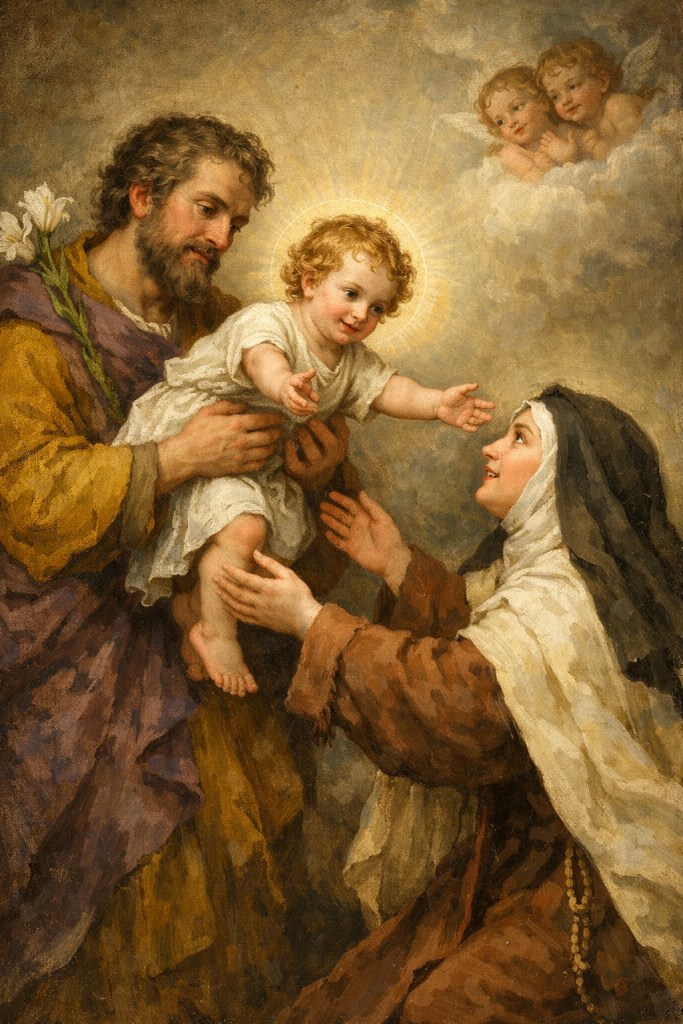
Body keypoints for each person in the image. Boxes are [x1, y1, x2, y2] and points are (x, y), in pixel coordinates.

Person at [0, 113, 354, 1024]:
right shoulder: (35, 326)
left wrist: (318, 475)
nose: (222, 237)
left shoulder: (230, 325)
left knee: (234, 892)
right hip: (78, 657)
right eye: (208, 210)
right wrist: (172, 460)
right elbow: (25, 499)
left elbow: (292, 509)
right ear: (141, 198)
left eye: (237, 221)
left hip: (207, 642)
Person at [216, 385, 683, 1023]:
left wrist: (312, 622)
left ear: (563, 477)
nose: (491, 448)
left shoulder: (565, 602)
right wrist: (398, 566)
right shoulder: (533, 578)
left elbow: (467, 707)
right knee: (351, 998)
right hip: (515, 862)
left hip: (590, 882)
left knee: (442, 1008)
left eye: (519, 439)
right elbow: (480, 641)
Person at [115, 213, 494, 694]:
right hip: (202, 439)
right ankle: (215, 633)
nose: (361, 314)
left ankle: (195, 610)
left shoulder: (351, 361)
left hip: (254, 463)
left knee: (265, 548)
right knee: (245, 529)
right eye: (351, 294)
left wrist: (437, 404)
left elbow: (389, 390)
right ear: (311, 283)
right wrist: (282, 384)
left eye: (377, 308)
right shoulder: (269, 322)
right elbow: (261, 358)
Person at [537, 38, 648, 163]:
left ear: (602, 81)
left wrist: (599, 149)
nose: (565, 100)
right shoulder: (582, 127)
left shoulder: (617, 107)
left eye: (572, 86)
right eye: (555, 97)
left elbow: (639, 155)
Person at [475, 65, 577, 181]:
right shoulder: (512, 154)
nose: (511, 122)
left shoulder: (567, 131)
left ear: (542, 102)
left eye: (516, 108)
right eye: (501, 122)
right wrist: (546, 169)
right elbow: (536, 186)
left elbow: (592, 159)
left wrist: (573, 154)